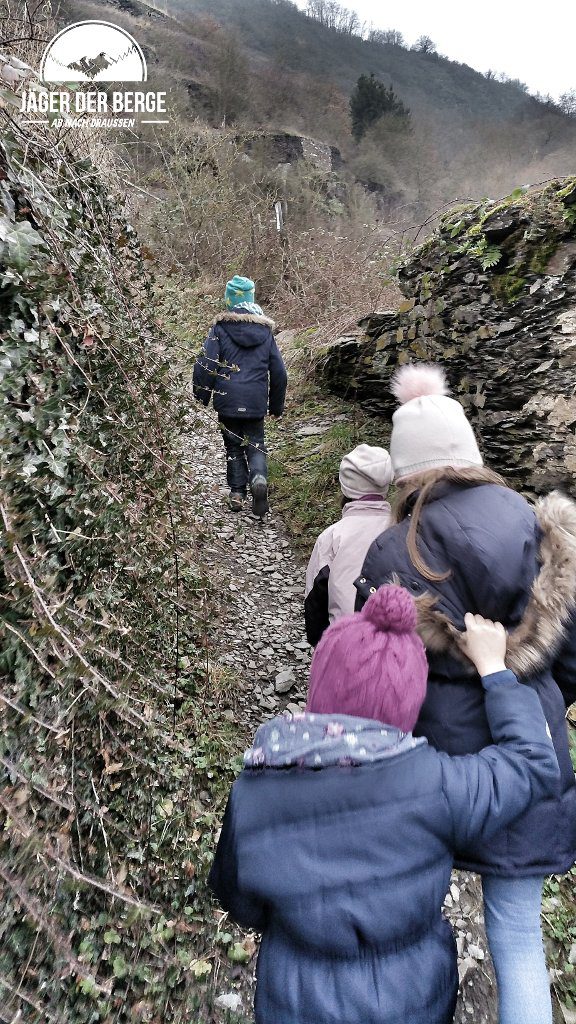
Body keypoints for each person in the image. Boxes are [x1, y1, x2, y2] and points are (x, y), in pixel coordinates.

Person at [209, 585, 559, 1024]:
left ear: (319, 686)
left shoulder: (255, 785)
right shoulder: (438, 784)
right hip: (411, 1001)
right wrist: (494, 669)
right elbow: (531, 762)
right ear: (410, 703)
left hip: (293, 1000)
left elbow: (238, 898)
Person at [355, 363, 576, 1024]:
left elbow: (383, 679)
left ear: (404, 470)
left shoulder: (392, 550)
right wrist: (530, 693)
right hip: (530, 755)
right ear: (471, 452)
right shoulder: (546, 535)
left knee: (408, 927)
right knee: (517, 941)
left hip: (430, 771)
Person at [192, 275, 287, 517]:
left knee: (234, 447)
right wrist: (276, 405)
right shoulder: (265, 332)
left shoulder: (220, 328)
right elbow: (279, 371)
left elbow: (206, 364)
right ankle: (258, 478)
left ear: (229, 300)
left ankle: (237, 494)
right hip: (255, 401)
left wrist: (201, 394)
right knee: (256, 444)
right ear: (251, 298)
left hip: (228, 399)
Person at [304, 444, 393, 645]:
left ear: (345, 486)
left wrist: (320, 645)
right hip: (396, 645)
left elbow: (314, 598)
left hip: (344, 643)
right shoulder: (403, 530)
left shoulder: (333, 536)